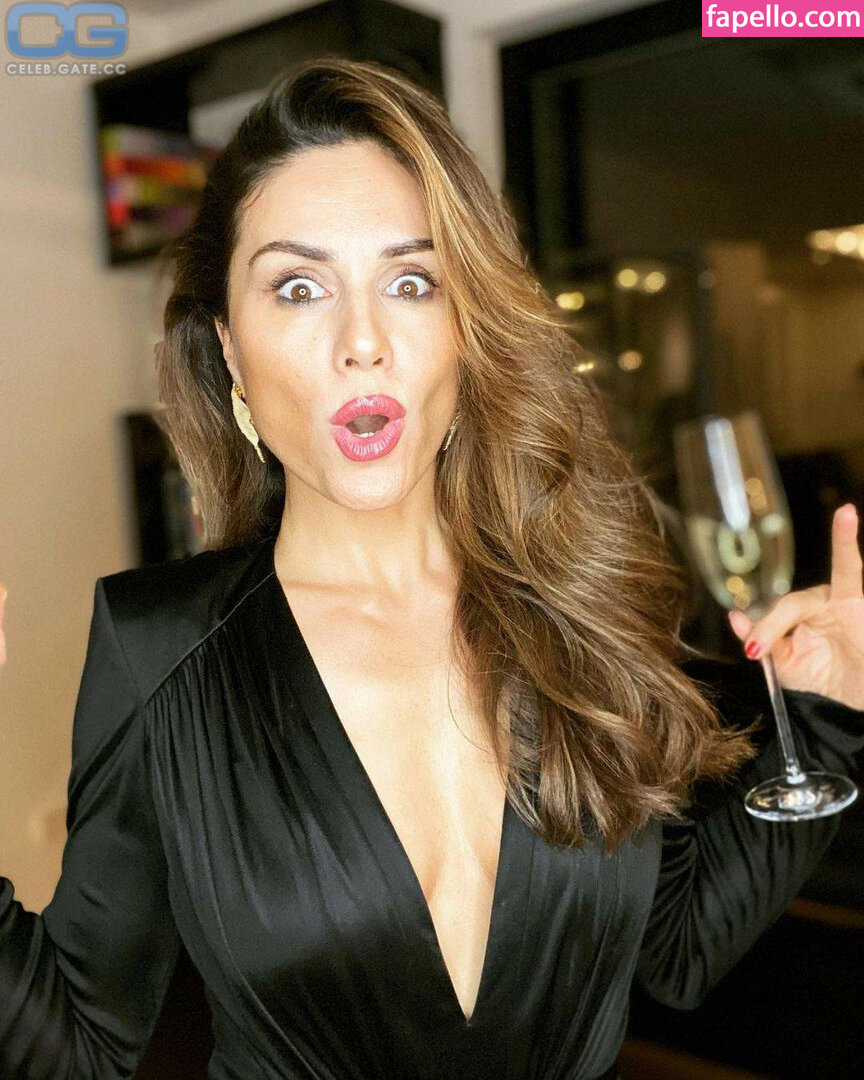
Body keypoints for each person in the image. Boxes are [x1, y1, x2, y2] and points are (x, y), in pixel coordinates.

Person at [1, 57, 863, 1080]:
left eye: (411, 282)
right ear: (229, 349)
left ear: (465, 328)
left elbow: (674, 949)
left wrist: (830, 719)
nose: (363, 341)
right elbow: (80, 1049)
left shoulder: (575, 606)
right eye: (299, 287)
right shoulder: (161, 651)